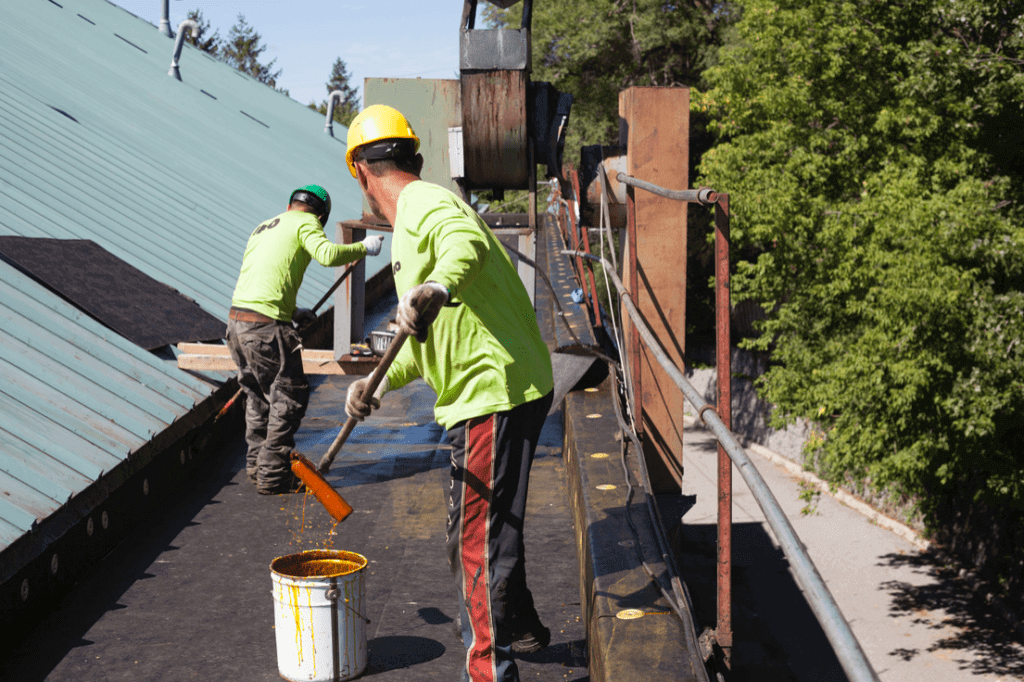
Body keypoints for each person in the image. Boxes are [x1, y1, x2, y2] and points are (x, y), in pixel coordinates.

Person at [342, 105, 555, 682]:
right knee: (487, 522)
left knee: (475, 539)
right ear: (409, 152)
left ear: (361, 170)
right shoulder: (414, 225)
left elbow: (465, 245)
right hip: (502, 385)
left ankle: (489, 672)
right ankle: (521, 627)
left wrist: (435, 285)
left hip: (491, 391)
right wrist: (375, 384)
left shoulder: (423, 203)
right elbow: (419, 340)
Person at [226, 184, 384, 495]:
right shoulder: (307, 223)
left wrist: (292, 311)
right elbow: (326, 255)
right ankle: (273, 476)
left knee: (258, 398)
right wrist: (363, 248)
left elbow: (264, 278)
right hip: (265, 329)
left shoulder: (264, 227)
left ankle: (258, 467)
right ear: (321, 216)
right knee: (289, 398)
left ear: (290, 204)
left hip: (237, 323)